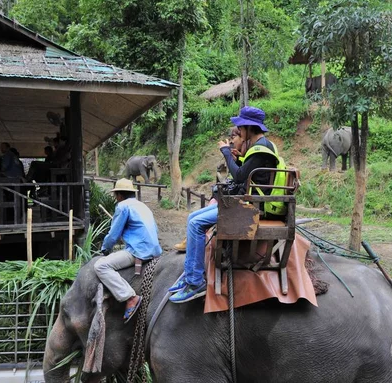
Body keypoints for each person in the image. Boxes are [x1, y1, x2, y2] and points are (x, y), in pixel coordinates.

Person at [169, 106, 282, 303]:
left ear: (248, 128)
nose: (238, 131)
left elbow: (238, 175)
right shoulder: (263, 146)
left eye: (240, 128)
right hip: (247, 201)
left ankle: (196, 282)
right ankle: (189, 275)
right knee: (191, 217)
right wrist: (238, 157)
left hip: (250, 207)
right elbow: (246, 172)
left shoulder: (260, 149)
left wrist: (226, 153)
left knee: (196, 224)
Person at [95, 178, 162, 322]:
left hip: (139, 251)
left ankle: (130, 297)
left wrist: (105, 249)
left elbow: (113, 235)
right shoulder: (143, 206)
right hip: (155, 249)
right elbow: (154, 229)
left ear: (119, 195)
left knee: (101, 266)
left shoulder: (122, 206)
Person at [173, 126, 247, 252]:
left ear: (244, 138)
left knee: (196, 221)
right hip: (232, 200)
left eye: (233, 137)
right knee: (194, 215)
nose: (231, 142)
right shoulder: (246, 156)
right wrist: (236, 159)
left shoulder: (253, 155)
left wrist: (227, 154)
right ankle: (191, 239)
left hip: (237, 205)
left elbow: (239, 178)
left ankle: (195, 267)